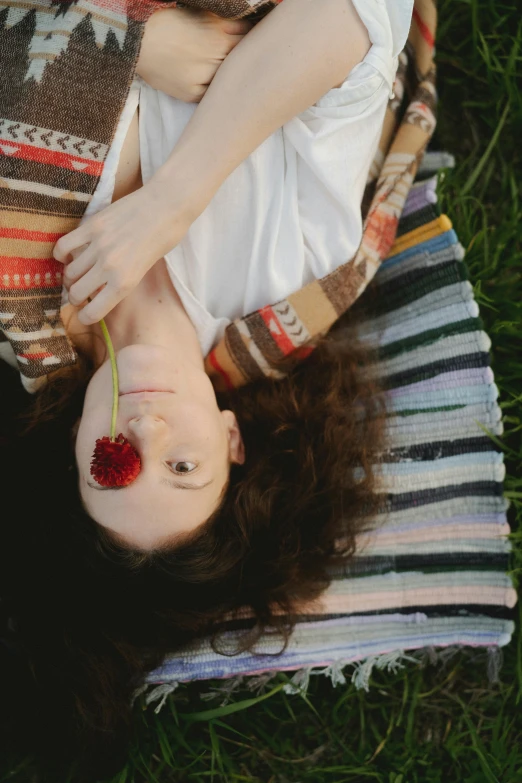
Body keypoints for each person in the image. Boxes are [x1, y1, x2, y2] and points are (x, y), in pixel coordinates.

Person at [0, 0, 410, 777]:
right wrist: (171, 201)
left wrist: (130, 36)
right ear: (231, 438)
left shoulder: (21, 295)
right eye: (184, 467)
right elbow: (348, 17)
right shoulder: (287, 263)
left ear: (76, 448)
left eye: (116, 464)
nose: (148, 431)